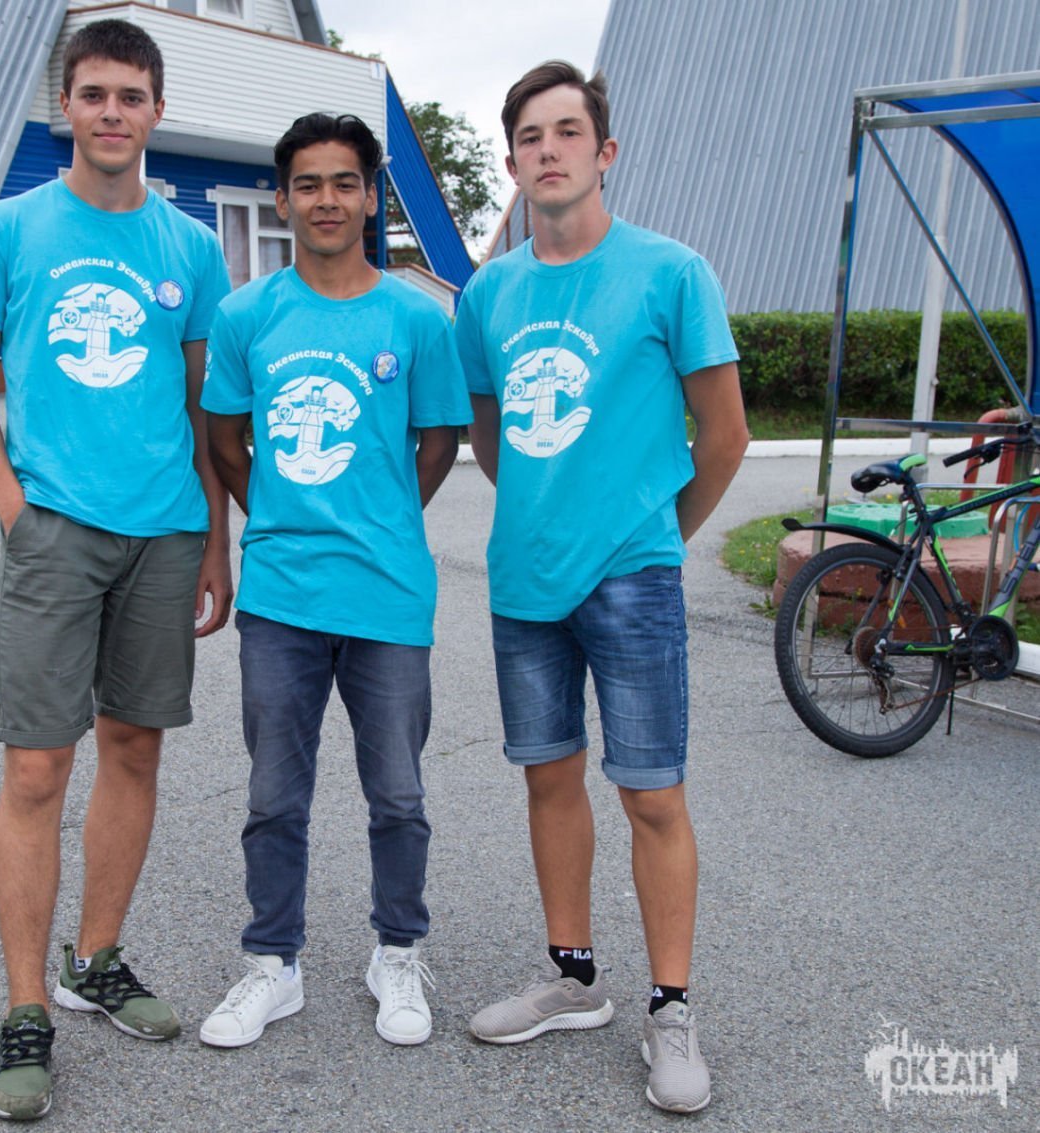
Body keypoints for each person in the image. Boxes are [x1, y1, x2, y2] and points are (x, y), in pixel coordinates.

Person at [0, 18, 233, 1123]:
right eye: (95, 94)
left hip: (164, 536)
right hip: (53, 531)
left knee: (134, 747)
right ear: (65, 105)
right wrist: (15, 511)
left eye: (131, 96)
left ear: (157, 110)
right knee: (34, 769)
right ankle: (27, 1008)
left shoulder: (190, 249)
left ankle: (95, 957)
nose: (113, 113)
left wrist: (214, 540)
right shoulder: (10, 228)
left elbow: (204, 408)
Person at [453, 60, 748, 1113]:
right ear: (512, 163)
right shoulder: (487, 294)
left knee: (652, 793)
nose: (549, 150)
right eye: (529, 137)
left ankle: (671, 1007)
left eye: (567, 131)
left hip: (632, 579)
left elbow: (725, 435)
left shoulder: (671, 273)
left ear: (604, 150)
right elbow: (489, 434)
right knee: (548, 780)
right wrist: (552, 512)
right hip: (525, 582)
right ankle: (572, 977)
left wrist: (651, 535)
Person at [197, 113, 469, 1050]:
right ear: (282, 198)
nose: (326, 199)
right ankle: (273, 963)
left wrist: (384, 514)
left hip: (388, 595)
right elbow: (222, 438)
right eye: (308, 183)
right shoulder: (247, 316)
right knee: (275, 795)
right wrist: (275, 509)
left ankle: (397, 950)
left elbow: (440, 440)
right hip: (282, 596)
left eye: (345, 182)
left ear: (369, 198)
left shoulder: (415, 319)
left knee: (398, 794)